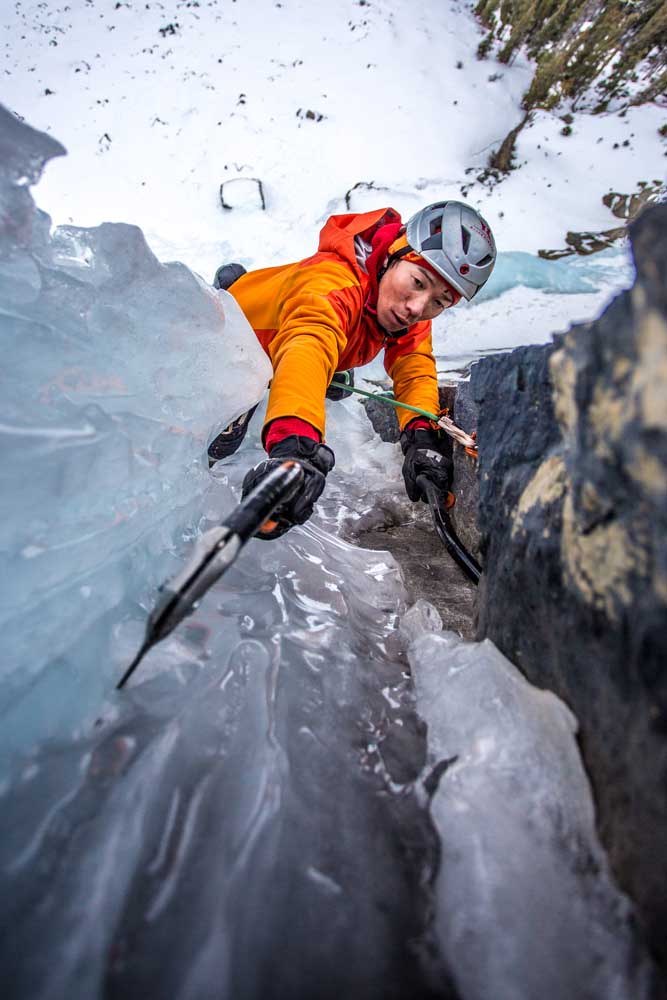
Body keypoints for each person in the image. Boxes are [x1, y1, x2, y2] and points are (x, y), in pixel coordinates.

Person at [209, 200, 496, 539]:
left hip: (320, 336)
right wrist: (295, 449)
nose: (418, 308)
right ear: (393, 253)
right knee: (219, 446)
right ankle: (231, 285)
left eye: (440, 301)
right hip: (242, 338)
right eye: (418, 282)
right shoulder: (332, 281)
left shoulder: (404, 304)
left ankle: (337, 368)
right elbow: (308, 345)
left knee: (337, 379)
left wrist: (421, 434)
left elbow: (414, 365)